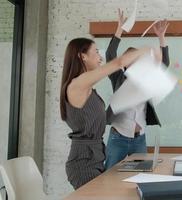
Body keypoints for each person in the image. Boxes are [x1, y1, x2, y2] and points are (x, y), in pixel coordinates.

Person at [60, 37, 151, 189]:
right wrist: (146, 49)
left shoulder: (87, 88)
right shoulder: (78, 84)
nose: (100, 57)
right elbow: (117, 63)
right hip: (84, 164)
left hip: (94, 158)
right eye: (96, 52)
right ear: (83, 56)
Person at [104, 9, 170, 169]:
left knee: (141, 174)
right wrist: (119, 29)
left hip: (139, 139)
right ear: (125, 63)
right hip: (118, 138)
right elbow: (110, 54)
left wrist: (161, 37)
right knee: (109, 175)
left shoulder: (146, 81)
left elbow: (164, 64)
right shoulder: (118, 77)